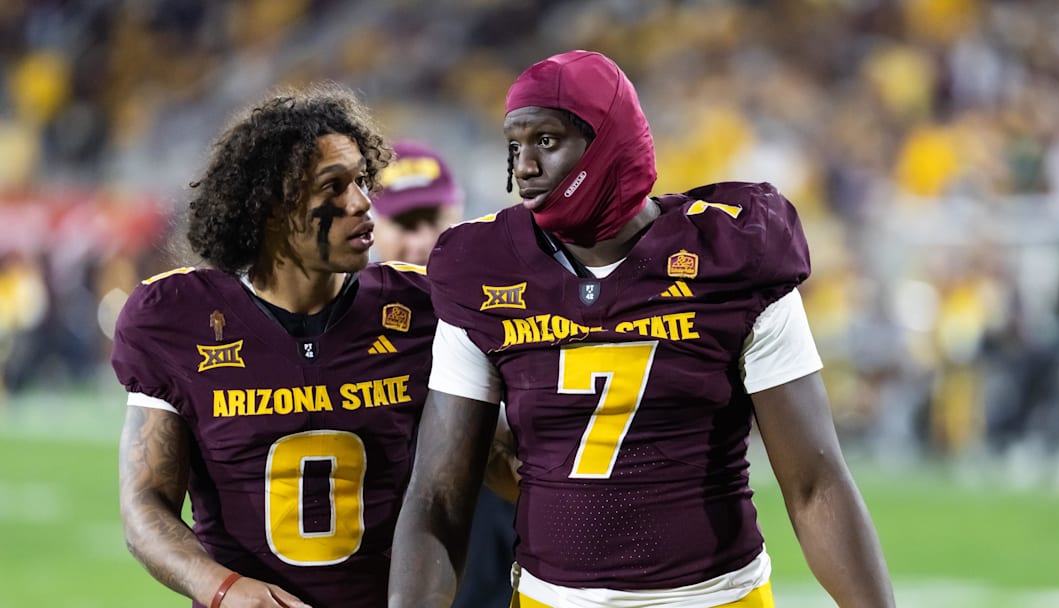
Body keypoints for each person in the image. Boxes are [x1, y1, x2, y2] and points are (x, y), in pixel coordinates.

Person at [389, 50, 895, 607]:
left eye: (546, 141)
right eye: (515, 146)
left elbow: (816, 485)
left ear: (607, 141)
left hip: (717, 598)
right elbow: (438, 498)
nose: (524, 167)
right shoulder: (484, 270)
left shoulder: (732, 254)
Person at [113, 83, 435, 608]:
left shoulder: (417, 310)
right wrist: (223, 589)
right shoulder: (175, 318)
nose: (362, 203)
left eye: (361, 181)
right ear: (269, 209)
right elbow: (145, 503)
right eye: (333, 188)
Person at [370, 140, 517, 608]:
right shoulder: (343, 322)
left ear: (457, 214)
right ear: (370, 227)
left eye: (431, 221)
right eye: (403, 224)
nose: (418, 242)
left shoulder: (503, 304)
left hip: (496, 549)